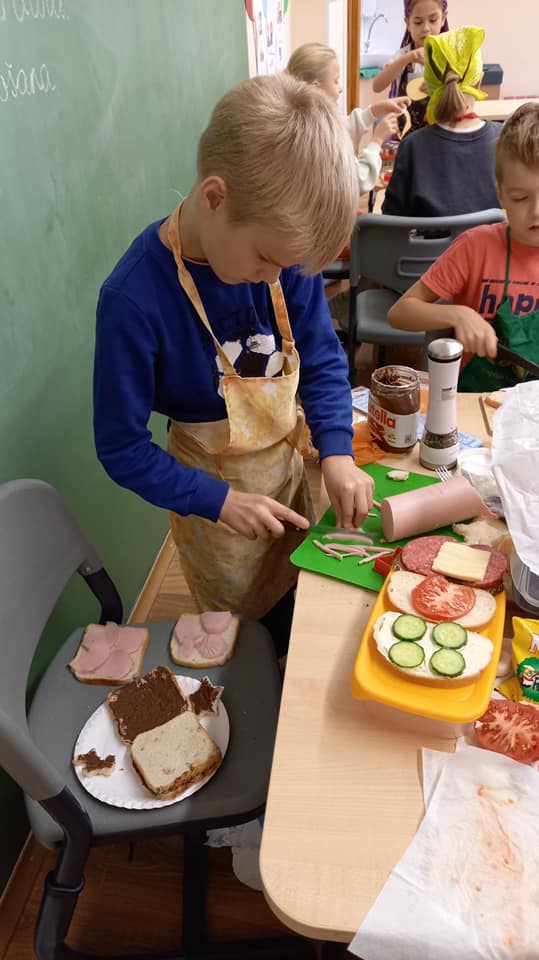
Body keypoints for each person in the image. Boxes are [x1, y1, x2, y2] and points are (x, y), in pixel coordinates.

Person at [94, 74, 374, 656]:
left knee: (300, 599)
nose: (277, 279)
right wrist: (217, 501)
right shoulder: (134, 299)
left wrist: (339, 454)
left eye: (288, 267)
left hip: (286, 476)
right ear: (215, 199)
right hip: (213, 509)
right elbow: (121, 447)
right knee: (245, 639)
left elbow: (321, 357)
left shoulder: (281, 255)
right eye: (268, 261)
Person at [388, 102, 539, 392]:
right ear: (501, 195)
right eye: (521, 198)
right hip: (472, 402)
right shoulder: (476, 247)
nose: (537, 212)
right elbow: (400, 312)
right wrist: (458, 315)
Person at [383, 26, 500, 218]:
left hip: (429, 250)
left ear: (427, 87)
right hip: (492, 249)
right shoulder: (505, 140)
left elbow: (392, 220)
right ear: (479, 82)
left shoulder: (412, 147)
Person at [287, 42, 409, 194]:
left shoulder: (303, 119)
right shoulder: (320, 137)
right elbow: (359, 180)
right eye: (335, 81)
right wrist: (376, 141)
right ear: (315, 88)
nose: (340, 88)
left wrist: (376, 110)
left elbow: (343, 127)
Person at [373, 0, 449, 137]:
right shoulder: (403, 56)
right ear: (408, 23)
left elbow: (461, 95)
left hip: (439, 136)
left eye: (433, 20)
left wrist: (440, 84)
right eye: (418, 22)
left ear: (443, 18)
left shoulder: (449, 57)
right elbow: (377, 86)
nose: (426, 28)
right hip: (404, 136)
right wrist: (406, 58)